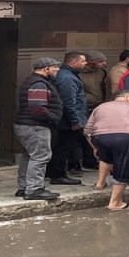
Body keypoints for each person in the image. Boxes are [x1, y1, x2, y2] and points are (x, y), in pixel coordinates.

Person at [84, 89, 129, 211]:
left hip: (100, 137)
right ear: (128, 98)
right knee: (123, 168)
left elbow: (87, 130)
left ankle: (100, 183)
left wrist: (95, 147)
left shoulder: (100, 107)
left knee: (105, 157)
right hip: (126, 137)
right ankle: (115, 202)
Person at [13, 57, 63, 201]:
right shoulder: (39, 84)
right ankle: (34, 189)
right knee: (41, 156)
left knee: (29, 156)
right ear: (45, 69)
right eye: (54, 67)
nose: (57, 69)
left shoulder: (34, 81)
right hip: (35, 126)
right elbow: (37, 108)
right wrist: (53, 118)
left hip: (28, 125)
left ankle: (24, 187)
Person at [49, 51, 88, 185]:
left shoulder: (70, 76)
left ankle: (54, 172)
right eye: (83, 61)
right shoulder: (67, 78)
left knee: (63, 146)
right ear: (73, 62)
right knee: (63, 147)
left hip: (66, 119)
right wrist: (75, 121)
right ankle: (58, 174)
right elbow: (69, 102)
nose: (85, 63)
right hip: (66, 121)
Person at [79, 51, 110, 170]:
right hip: (85, 107)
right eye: (101, 61)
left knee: (97, 135)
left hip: (99, 106)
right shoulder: (79, 75)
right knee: (85, 135)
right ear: (92, 62)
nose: (105, 64)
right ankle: (86, 160)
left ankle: (93, 159)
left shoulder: (101, 73)